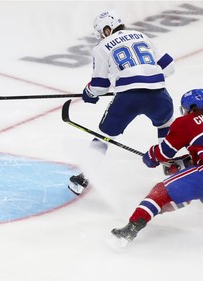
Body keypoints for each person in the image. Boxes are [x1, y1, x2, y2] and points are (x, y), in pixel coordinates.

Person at [68, 10, 175, 195]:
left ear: (107, 29)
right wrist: (147, 77)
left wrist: (89, 93)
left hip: (127, 99)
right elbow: (169, 67)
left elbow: (100, 86)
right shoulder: (142, 35)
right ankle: (170, 167)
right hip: (159, 96)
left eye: (101, 33)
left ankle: (84, 178)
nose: (101, 37)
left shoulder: (101, 47)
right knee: (165, 125)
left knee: (103, 136)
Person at [111, 89, 203, 242]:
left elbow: (164, 152)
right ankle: (156, 209)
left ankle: (131, 229)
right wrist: (181, 164)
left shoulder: (186, 122)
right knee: (189, 188)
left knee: (161, 192)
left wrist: (150, 157)